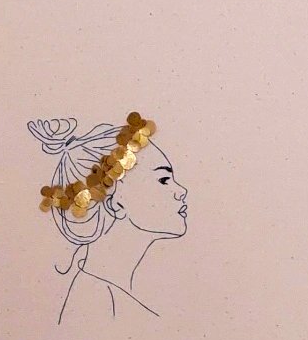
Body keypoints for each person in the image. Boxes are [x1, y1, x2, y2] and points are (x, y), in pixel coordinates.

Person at [28, 117, 189, 323]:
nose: (182, 191)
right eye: (164, 180)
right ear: (114, 204)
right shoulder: (100, 304)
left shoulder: (111, 293)